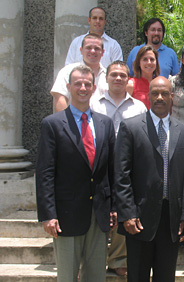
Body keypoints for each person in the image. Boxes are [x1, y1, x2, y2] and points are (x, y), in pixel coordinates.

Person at [36, 65, 116, 282]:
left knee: (96, 275)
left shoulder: (105, 124)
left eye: (87, 84)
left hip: (98, 213)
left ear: (94, 88)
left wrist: (113, 206)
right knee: (67, 276)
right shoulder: (52, 124)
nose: (82, 87)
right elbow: (45, 172)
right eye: (78, 83)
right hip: (65, 213)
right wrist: (48, 213)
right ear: (69, 87)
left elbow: (111, 169)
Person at [114, 76, 184, 282]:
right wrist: (127, 213)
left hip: (171, 219)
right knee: (137, 276)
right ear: (148, 96)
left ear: (172, 96)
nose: (159, 97)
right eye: (154, 93)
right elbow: (121, 174)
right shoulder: (130, 128)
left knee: (165, 276)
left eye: (164, 93)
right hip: (139, 218)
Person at [90, 61, 147, 276]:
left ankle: (117, 258)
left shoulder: (138, 107)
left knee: (123, 207)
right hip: (99, 164)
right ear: (106, 78)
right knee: (101, 210)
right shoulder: (95, 104)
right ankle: (92, 260)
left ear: (128, 79)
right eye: (114, 74)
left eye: (123, 75)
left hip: (127, 165)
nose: (118, 78)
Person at [51, 33, 108, 112]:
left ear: (103, 52)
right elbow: (60, 98)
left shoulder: (108, 76)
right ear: (81, 50)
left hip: (102, 123)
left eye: (97, 48)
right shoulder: (67, 71)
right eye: (88, 48)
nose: (92, 51)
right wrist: (66, 123)